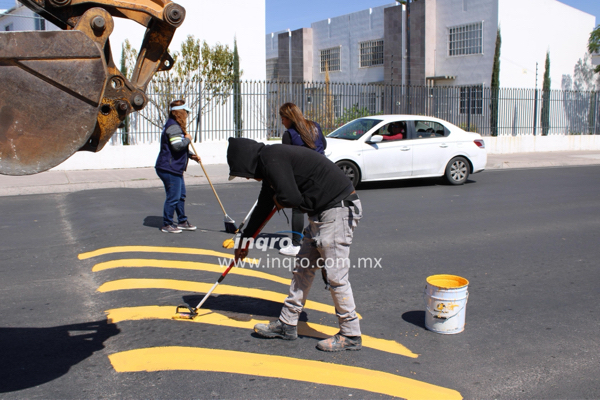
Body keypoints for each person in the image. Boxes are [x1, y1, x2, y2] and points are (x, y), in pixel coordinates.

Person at [227, 138, 363, 352]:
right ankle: (287, 324)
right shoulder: (269, 162)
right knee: (303, 269)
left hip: (337, 210)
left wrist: (281, 199)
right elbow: (264, 206)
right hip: (321, 213)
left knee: (336, 276)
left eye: (243, 173)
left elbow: (289, 197)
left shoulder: (271, 158)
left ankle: (351, 334)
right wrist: (245, 240)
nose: (246, 177)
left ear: (246, 162)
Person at [279, 102, 328, 257]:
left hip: (305, 174)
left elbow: (286, 160)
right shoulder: (315, 126)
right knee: (320, 207)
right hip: (323, 171)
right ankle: (321, 241)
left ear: (289, 118)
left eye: (283, 118)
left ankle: (295, 244)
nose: (282, 122)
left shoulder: (289, 135)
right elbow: (324, 144)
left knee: (298, 207)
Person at [155, 99, 200, 233]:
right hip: (169, 168)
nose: (187, 115)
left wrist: (191, 156)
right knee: (173, 197)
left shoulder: (174, 125)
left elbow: (178, 146)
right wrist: (188, 139)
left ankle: (182, 221)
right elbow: (177, 146)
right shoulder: (173, 126)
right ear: (180, 113)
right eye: (185, 112)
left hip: (174, 167)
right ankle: (167, 224)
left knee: (181, 195)